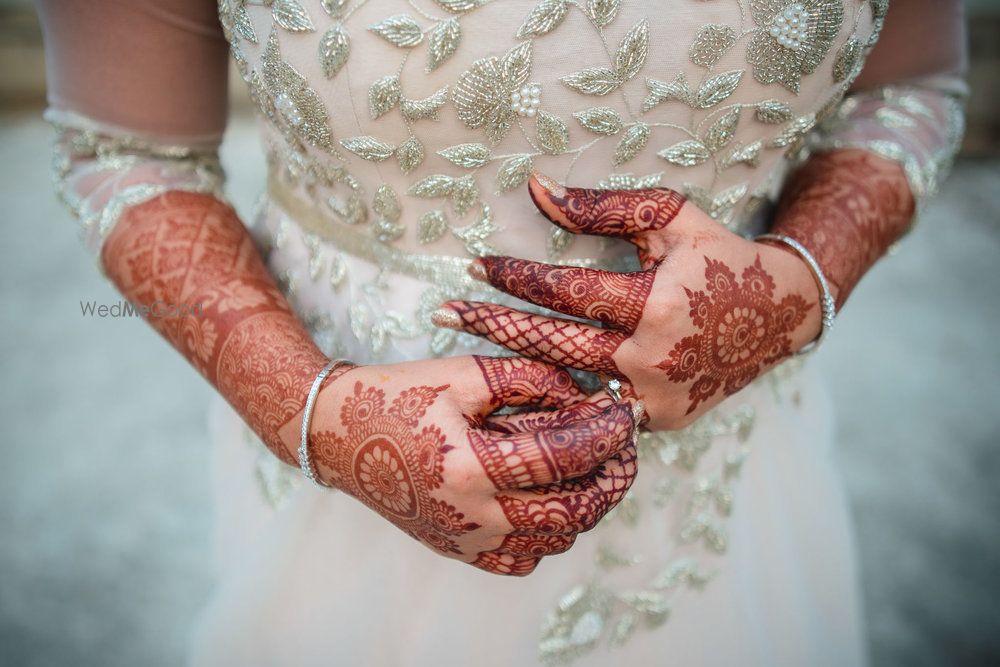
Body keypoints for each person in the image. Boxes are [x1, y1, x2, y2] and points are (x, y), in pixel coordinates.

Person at [37, 0, 966, 664]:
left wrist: (799, 283)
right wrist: (314, 415)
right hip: (350, 499)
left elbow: (912, 88)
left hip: (725, 488)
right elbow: (128, 153)